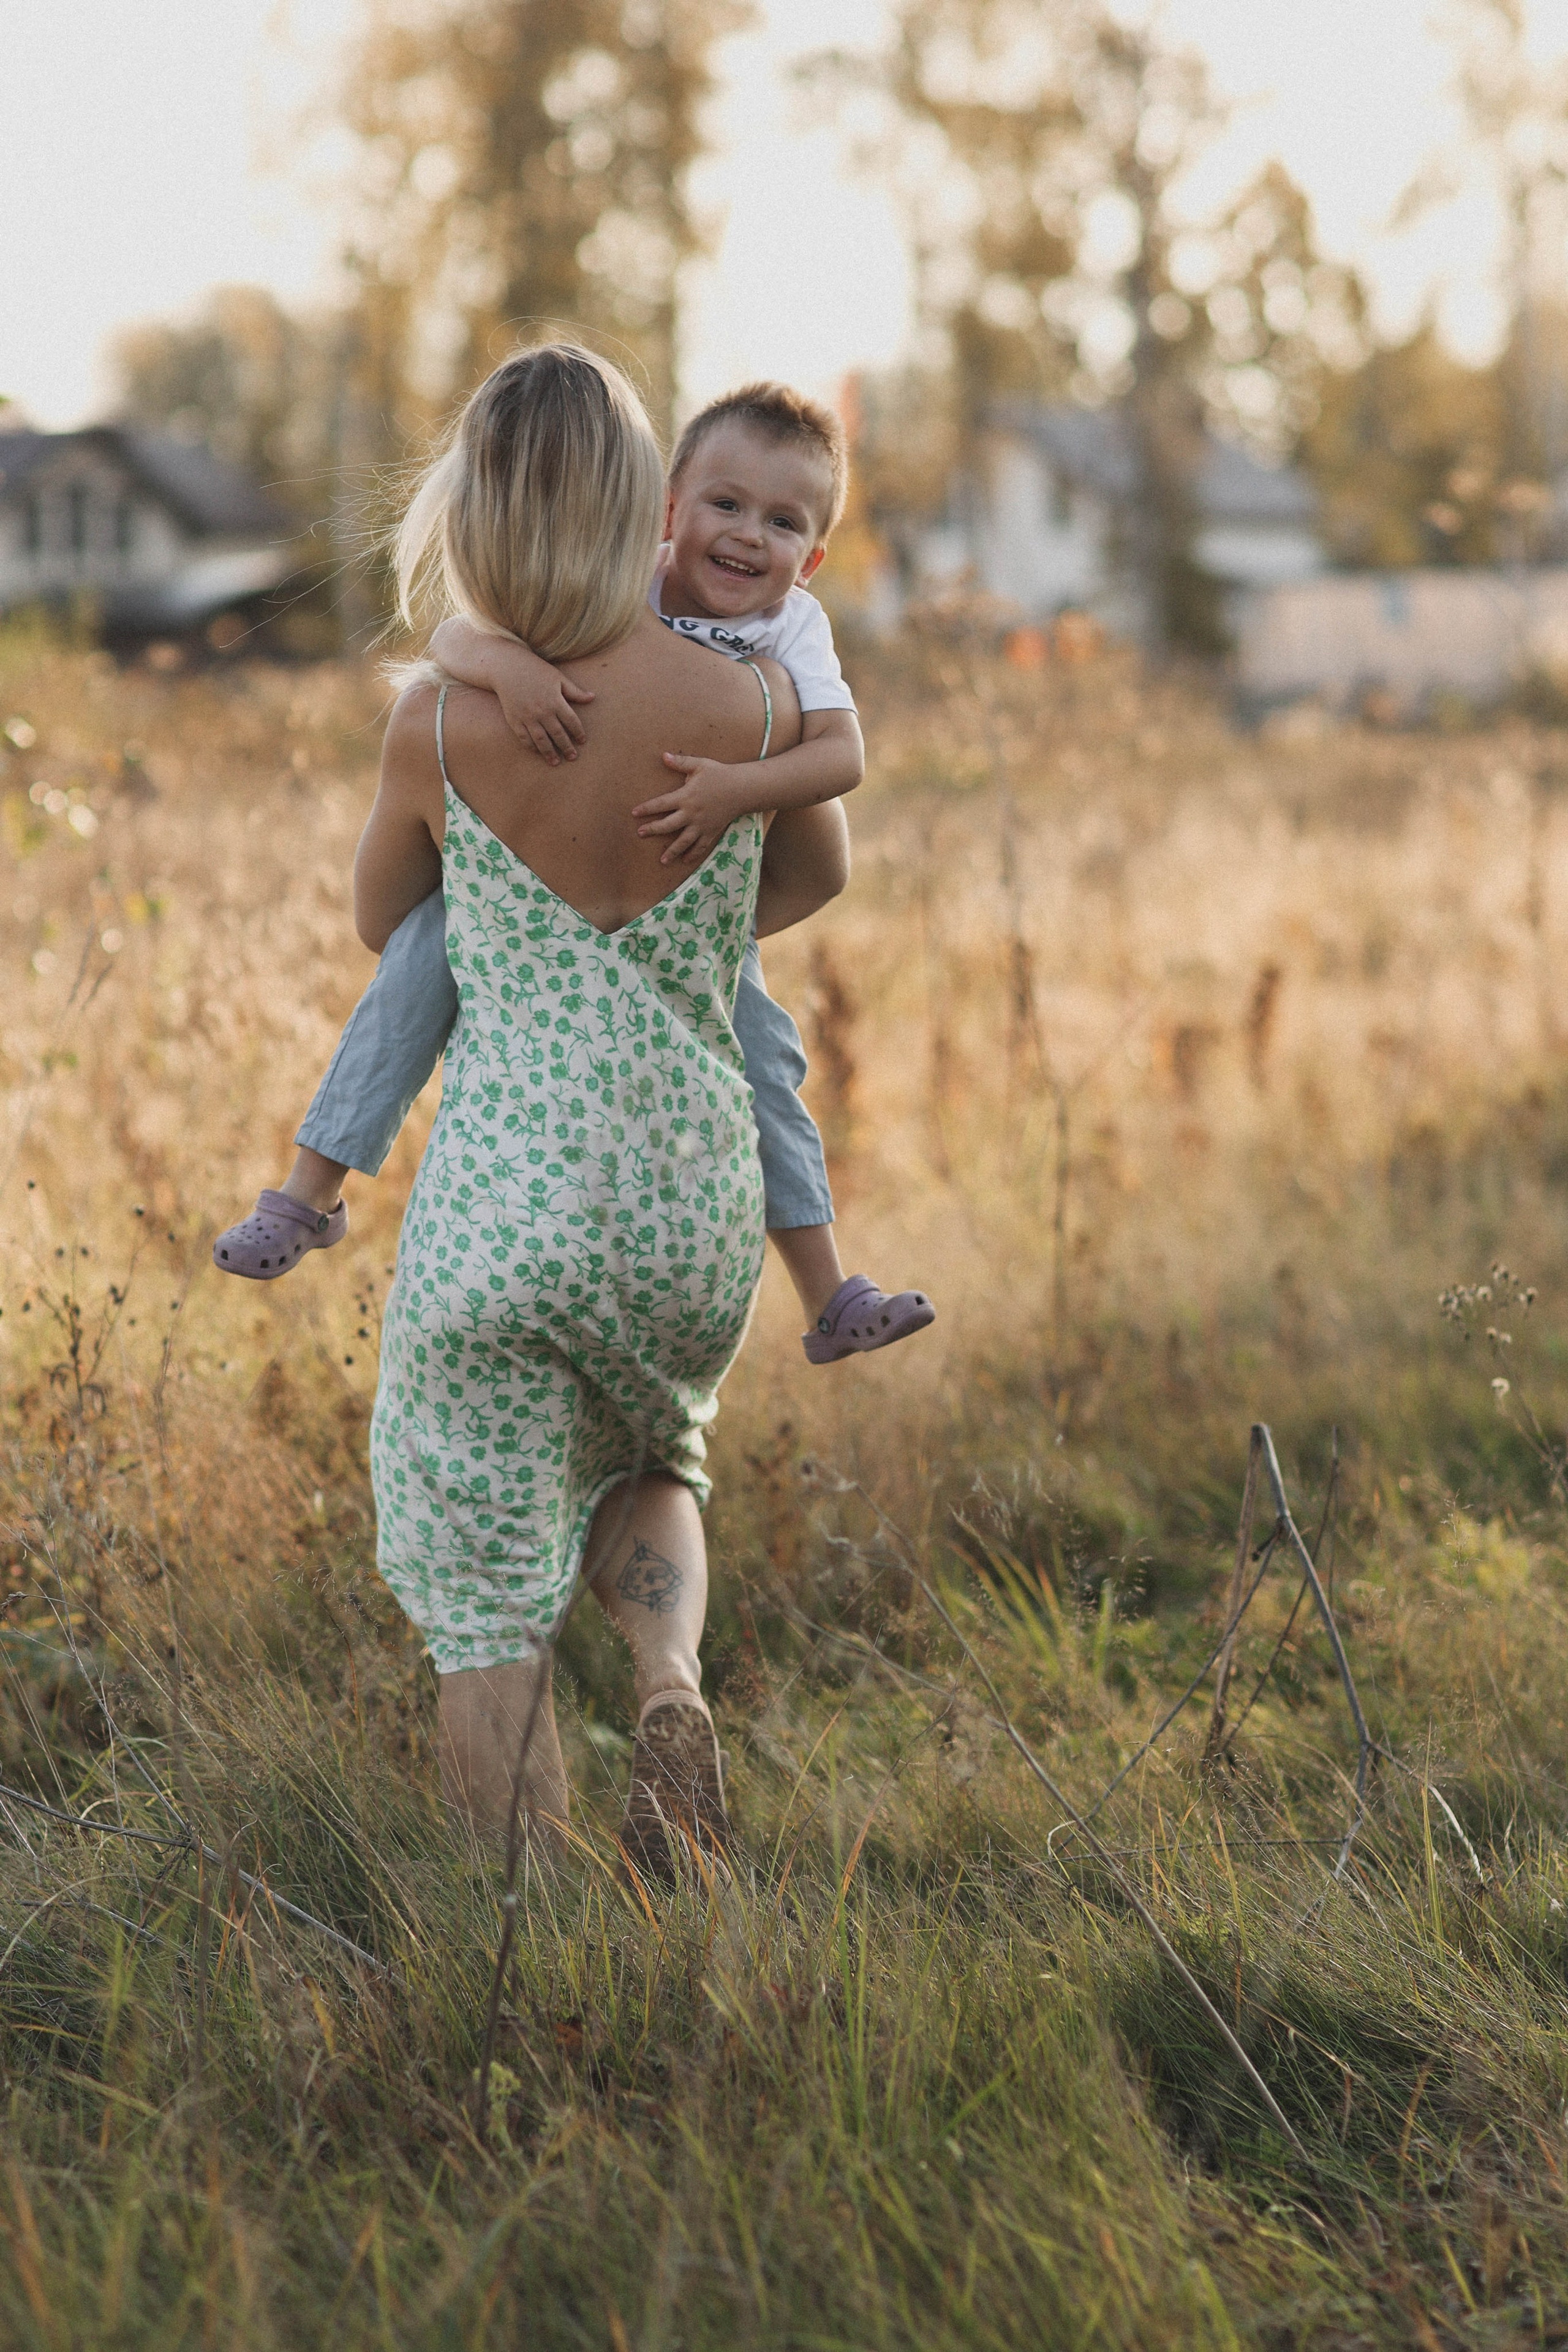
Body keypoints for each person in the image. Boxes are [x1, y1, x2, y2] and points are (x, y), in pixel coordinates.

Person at [351, 343, 845, 1864]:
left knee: (488, 1593)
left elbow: (386, 924)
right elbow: (812, 874)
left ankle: (521, 1930)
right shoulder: (754, 699)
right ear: (652, 504)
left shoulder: (438, 722)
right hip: (689, 1198)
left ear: (475, 510)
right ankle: (669, 1683)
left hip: (506, 1211)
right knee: (652, 1455)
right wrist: (663, 952)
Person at [212, 383, 934, 1368]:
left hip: (682, 917)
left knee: (762, 1061)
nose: (746, 535)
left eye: (782, 523)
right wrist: (510, 670)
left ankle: (829, 1290)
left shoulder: (789, 641)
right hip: (663, 1094)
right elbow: (454, 635)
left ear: (810, 561)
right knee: (428, 950)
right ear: (666, 510)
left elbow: (844, 756)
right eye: (725, 505)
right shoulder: (643, 597)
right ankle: (311, 1189)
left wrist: (729, 803)